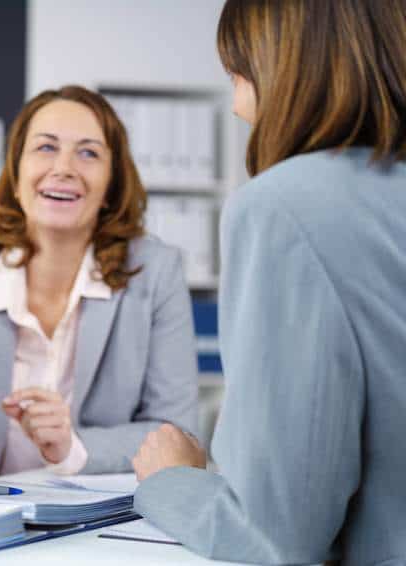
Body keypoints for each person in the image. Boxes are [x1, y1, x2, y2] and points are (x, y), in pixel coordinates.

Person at [132, 1, 406, 564]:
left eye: (237, 74)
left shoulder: (284, 206)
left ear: (286, 69)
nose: (236, 106)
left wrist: (169, 480)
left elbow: (274, 533)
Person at [0, 85, 198, 480]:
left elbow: (176, 434)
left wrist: (73, 447)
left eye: (88, 153)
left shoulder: (155, 273)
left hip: (106, 513)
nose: (64, 168)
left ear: (111, 184)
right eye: (46, 147)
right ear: (16, 173)